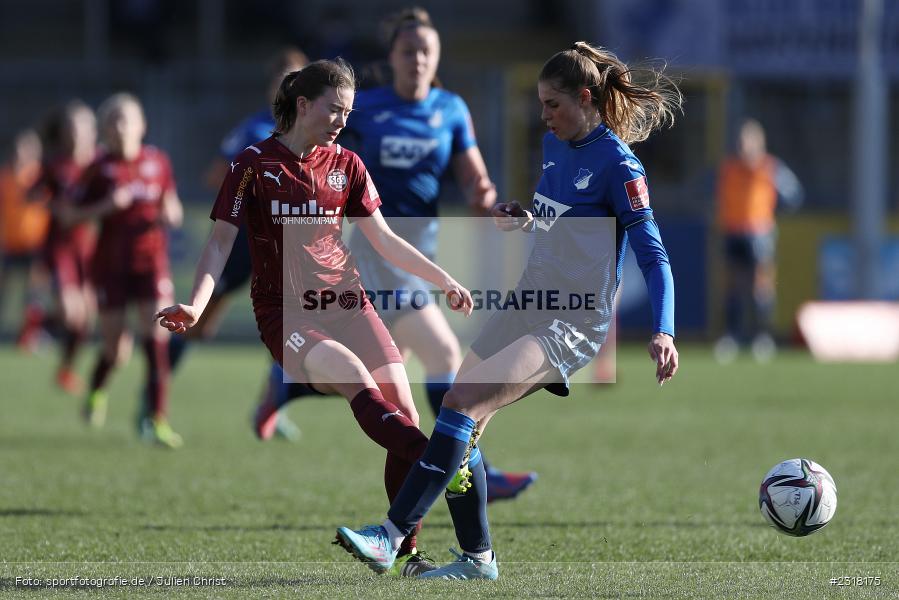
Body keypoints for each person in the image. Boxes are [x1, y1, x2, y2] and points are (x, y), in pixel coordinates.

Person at [335, 41, 681, 580]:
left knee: (462, 407)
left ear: (586, 98)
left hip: (572, 322)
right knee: (458, 412)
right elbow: (561, 221)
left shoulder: (619, 164)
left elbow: (654, 255)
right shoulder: (555, 146)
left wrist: (665, 331)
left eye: (552, 105)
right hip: (528, 304)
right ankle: (477, 560)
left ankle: (391, 534)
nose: (543, 116)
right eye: (540, 105)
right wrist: (526, 219)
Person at [155, 58, 474, 576]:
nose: (341, 122)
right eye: (334, 110)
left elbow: (385, 240)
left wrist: (445, 281)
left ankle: (405, 551)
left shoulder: (347, 164)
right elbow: (218, 243)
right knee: (356, 381)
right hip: (287, 314)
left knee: (406, 414)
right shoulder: (253, 164)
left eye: (348, 113)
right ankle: (448, 465)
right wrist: (197, 303)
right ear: (303, 105)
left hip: (349, 303)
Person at [254, 7, 538, 502]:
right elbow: (321, 157)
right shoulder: (366, 110)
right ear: (393, 57)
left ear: (437, 58)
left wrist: (494, 207)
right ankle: (471, 471)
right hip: (373, 251)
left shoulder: (451, 110)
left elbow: (474, 179)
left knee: (388, 383)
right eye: (408, 52)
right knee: (444, 353)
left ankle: (288, 387)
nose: (418, 60)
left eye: (426, 51)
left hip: (415, 253)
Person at [151, 47, 308, 441]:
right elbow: (216, 177)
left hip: (284, 247)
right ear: (273, 87)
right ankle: (153, 402)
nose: (289, 88)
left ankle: (271, 406)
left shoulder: (311, 136)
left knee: (290, 326)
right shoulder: (251, 131)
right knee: (199, 325)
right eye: (283, 80)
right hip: (243, 242)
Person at [64, 93, 185, 448]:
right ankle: (97, 389)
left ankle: (157, 419)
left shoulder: (158, 161)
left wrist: (171, 214)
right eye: (113, 121)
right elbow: (69, 215)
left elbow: (171, 204)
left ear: (141, 125)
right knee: (117, 351)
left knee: (156, 342)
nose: (120, 127)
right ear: (103, 129)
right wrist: (105, 206)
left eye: (126, 119)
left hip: (151, 266)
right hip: (111, 268)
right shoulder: (98, 168)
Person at [713, 118, 802, 364]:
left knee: (760, 288)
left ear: (758, 143)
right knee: (732, 287)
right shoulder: (729, 168)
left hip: (758, 233)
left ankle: (763, 337)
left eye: (748, 142)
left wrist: (769, 217)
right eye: (741, 142)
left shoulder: (770, 168)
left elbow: (793, 195)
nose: (743, 147)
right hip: (732, 230)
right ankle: (731, 336)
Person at [33, 100, 99, 393]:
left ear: (92, 130)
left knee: (87, 317)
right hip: (60, 249)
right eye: (72, 128)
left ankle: (65, 369)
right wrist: (52, 205)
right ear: (63, 133)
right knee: (72, 312)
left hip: (90, 249)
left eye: (82, 127)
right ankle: (38, 323)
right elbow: (32, 194)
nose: (77, 134)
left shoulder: (100, 162)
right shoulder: (54, 164)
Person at [0, 129, 51, 351]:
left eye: (27, 148)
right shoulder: (5, 178)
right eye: (19, 148)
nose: (22, 152)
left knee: (34, 294)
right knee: (5, 290)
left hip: (35, 245)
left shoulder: (42, 177)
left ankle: (29, 336)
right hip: (11, 244)